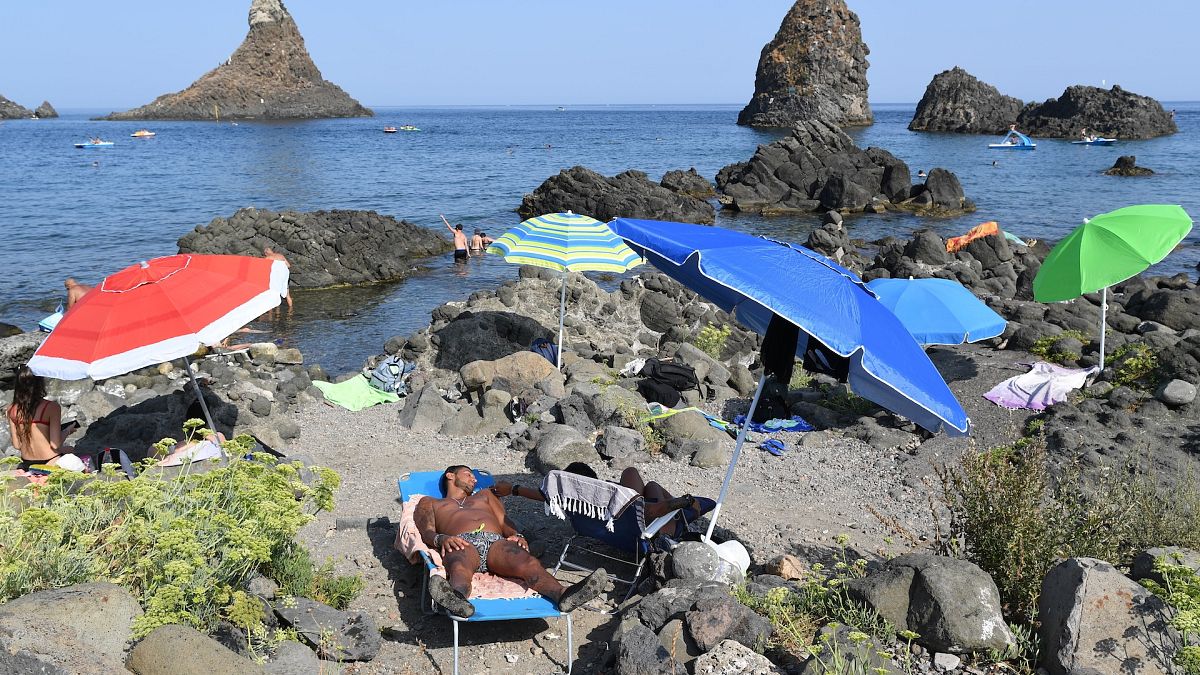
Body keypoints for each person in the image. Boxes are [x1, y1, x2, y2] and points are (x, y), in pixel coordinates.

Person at [410, 465, 608, 618]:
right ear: (450, 476)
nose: (474, 478)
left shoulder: (485, 495)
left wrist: (517, 535)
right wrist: (440, 538)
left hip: (496, 542)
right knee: (459, 566)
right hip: (461, 542)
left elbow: (506, 523)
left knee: (528, 562)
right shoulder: (430, 502)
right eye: (468, 473)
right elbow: (425, 530)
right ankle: (458, 600)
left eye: (474, 476)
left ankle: (564, 595)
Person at [493, 462, 714, 531]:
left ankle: (672, 507)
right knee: (640, 480)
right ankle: (682, 511)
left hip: (611, 525)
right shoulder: (607, 496)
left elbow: (543, 495)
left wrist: (512, 489)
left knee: (647, 486)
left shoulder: (565, 498)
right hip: (654, 526)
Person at [6, 366, 79, 470]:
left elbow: (17, 445)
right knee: (71, 450)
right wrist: (67, 431)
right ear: (40, 384)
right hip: (50, 461)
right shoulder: (51, 407)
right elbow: (55, 445)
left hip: (27, 463)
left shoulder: (11, 409)